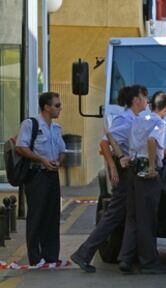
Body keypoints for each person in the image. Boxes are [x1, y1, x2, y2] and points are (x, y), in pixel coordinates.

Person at [70, 85, 149, 273]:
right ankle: (84, 253)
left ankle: (122, 256)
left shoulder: (134, 119)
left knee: (122, 216)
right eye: (145, 97)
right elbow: (105, 141)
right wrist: (114, 166)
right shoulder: (127, 119)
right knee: (113, 216)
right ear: (136, 100)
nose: (147, 101)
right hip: (125, 175)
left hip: (129, 173)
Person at [117, 91, 166, 274]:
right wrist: (151, 167)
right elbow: (151, 140)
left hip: (132, 170)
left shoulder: (138, 117)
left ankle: (125, 258)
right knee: (147, 219)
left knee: (132, 218)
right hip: (145, 175)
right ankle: (149, 263)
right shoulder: (159, 122)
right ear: (165, 108)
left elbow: (125, 137)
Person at [16, 92, 66, 266]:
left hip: (52, 175)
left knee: (52, 216)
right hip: (37, 175)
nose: (60, 108)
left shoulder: (56, 128)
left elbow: (62, 150)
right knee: (37, 215)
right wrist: (41, 160)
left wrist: (58, 161)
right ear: (46, 107)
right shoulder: (31, 124)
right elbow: (21, 147)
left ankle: (51, 256)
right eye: (57, 105)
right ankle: (35, 258)